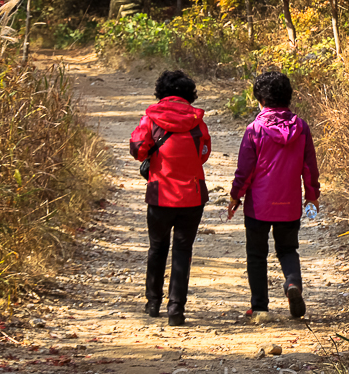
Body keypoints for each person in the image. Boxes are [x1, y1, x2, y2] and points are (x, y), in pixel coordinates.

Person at [228, 71, 320, 319]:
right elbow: (309, 167)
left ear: (260, 100)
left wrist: (235, 196)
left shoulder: (255, 129)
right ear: (288, 97)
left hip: (258, 206)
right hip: (289, 204)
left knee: (256, 255)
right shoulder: (301, 128)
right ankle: (292, 284)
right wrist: (312, 196)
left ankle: (260, 307)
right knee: (288, 250)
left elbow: (245, 171)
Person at [129, 69, 211, 326]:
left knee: (157, 248)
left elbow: (138, 149)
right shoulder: (197, 121)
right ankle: (176, 308)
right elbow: (204, 154)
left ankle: (153, 302)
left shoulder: (150, 119)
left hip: (160, 194)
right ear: (190, 94)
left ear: (161, 92)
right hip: (192, 196)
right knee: (183, 250)